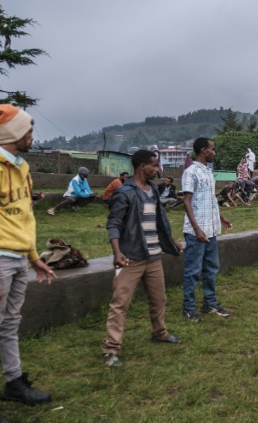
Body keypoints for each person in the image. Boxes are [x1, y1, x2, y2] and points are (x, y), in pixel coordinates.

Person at [0, 104, 57, 420]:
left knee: (10, 323)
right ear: (13, 132)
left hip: (17, 257)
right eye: (28, 130)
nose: (32, 135)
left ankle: (14, 382)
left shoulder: (21, 167)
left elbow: (23, 217)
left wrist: (33, 257)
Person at [102, 150, 184, 368]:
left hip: (154, 256)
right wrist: (117, 252)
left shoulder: (153, 190)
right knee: (120, 303)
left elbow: (159, 220)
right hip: (131, 258)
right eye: (155, 166)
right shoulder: (125, 192)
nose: (158, 169)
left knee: (159, 299)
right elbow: (114, 223)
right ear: (142, 167)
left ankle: (159, 332)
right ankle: (111, 349)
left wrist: (172, 240)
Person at [181, 137, 233, 321]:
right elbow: (186, 201)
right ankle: (188, 308)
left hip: (211, 230)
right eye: (212, 149)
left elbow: (210, 200)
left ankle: (210, 303)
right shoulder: (191, 172)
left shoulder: (208, 171)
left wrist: (221, 217)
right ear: (203, 150)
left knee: (211, 268)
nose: (214, 152)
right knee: (193, 271)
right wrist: (196, 229)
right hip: (197, 232)